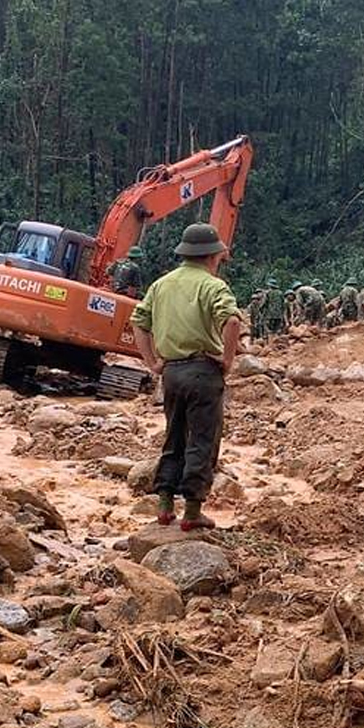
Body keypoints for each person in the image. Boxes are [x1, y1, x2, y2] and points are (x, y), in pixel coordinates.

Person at [131, 223, 241, 532]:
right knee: (202, 440)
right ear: (212, 256)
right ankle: (192, 511)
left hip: (172, 373)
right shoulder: (213, 286)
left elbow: (138, 322)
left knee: (174, 436)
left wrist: (153, 362)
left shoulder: (161, 285)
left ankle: (165, 505)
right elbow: (232, 322)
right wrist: (227, 360)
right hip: (203, 371)